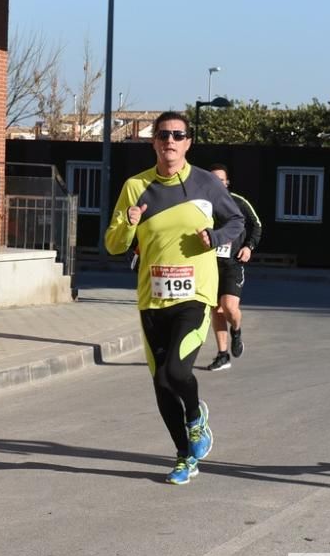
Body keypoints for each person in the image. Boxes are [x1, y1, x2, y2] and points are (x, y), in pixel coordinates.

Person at [105, 112, 244, 485]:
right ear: (154, 142)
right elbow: (114, 244)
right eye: (163, 134)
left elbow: (236, 222)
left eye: (178, 135)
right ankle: (185, 456)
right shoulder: (135, 187)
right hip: (152, 298)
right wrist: (130, 221)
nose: (170, 140)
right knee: (162, 384)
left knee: (177, 372)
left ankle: (197, 418)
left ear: (188, 142)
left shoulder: (205, 184)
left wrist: (215, 239)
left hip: (195, 294)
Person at [205, 163, 262, 372]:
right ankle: (222, 355)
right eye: (212, 179)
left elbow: (257, 225)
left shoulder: (238, 202)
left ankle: (236, 331)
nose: (216, 183)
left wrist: (249, 247)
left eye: (220, 180)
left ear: (227, 182)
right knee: (216, 310)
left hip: (232, 264)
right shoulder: (201, 205)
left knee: (228, 307)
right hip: (209, 265)